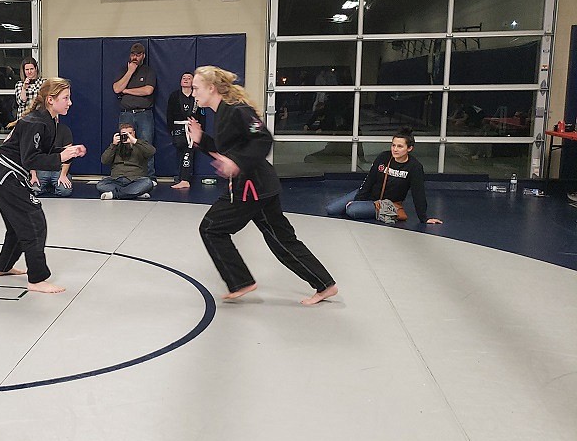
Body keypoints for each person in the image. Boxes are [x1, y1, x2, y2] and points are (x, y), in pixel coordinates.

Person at [188, 66, 338, 305]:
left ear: (211, 88)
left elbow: (263, 138)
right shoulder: (222, 112)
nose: (192, 92)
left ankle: (241, 281)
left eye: (195, 88)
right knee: (281, 240)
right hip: (259, 187)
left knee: (211, 228)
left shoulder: (237, 110)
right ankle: (325, 285)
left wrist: (237, 162)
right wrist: (202, 140)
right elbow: (228, 150)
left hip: (252, 188)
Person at [0, 77, 87, 293]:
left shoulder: (47, 120)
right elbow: (30, 159)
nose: (70, 103)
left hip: (2, 174)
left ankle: (2, 267)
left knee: (17, 226)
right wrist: (61, 156)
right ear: (50, 100)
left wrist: (68, 152)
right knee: (34, 222)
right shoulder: (36, 122)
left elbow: (39, 153)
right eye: (66, 98)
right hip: (7, 176)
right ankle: (37, 278)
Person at [325, 128, 444, 225]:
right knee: (331, 209)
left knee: (352, 210)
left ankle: (381, 211)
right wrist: (359, 199)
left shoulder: (414, 167)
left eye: (400, 146)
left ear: (409, 148)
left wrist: (424, 218)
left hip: (387, 203)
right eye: (393, 145)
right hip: (368, 194)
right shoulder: (384, 157)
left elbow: (418, 193)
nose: (395, 149)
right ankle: (364, 207)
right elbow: (369, 180)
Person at [112, 42, 157, 184]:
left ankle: (149, 177)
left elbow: (148, 90)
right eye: (133, 54)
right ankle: (123, 175)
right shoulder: (123, 70)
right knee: (123, 143)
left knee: (145, 144)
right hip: (126, 113)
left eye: (138, 54)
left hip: (144, 114)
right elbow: (116, 88)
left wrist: (126, 91)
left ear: (143, 56)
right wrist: (130, 71)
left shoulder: (148, 71)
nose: (135, 57)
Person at [166, 71, 205, 189]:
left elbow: (202, 115)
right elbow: (169, 114)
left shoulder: (196, 96)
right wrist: (171, 129)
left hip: (192, 127)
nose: (186, 79)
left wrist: (201, 130)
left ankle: (185, 179)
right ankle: (181, 176)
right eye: (184, 78)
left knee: (189, 151)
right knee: (181, 151)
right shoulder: (174, 95)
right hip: (178, 127)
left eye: (189, 78)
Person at [97, 123, 155, 200]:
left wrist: (134, 141)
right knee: (100, 185)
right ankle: (134, 193)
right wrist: (113, 145)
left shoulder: (140, 144)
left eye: (130, 133)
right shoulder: (115, 146)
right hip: (116, 180)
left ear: (134, 133)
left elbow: (152, 151)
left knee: (147, 183)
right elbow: (104, 161)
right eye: (124, 134)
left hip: (135, 179)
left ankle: (114, 194)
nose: (127, 136)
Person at [31, 121, 73, 197]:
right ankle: (47, 187)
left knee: (65, 191)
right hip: (41, 169)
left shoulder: (64, 130)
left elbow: (69, 154)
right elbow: (31, 155)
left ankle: (51, 187)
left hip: (58, 170)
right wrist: (33, 174)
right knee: (32, 190)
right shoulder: (37, 130)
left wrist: (63, 175)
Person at [11, 56, 44, 127]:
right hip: (24, 119)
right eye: (27, 69)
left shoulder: (43, 83)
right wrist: (24, 88)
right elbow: (21, 102)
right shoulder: (19, 84)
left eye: (31, 69)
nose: (29, 72)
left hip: (39, 119)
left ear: (36, 69)